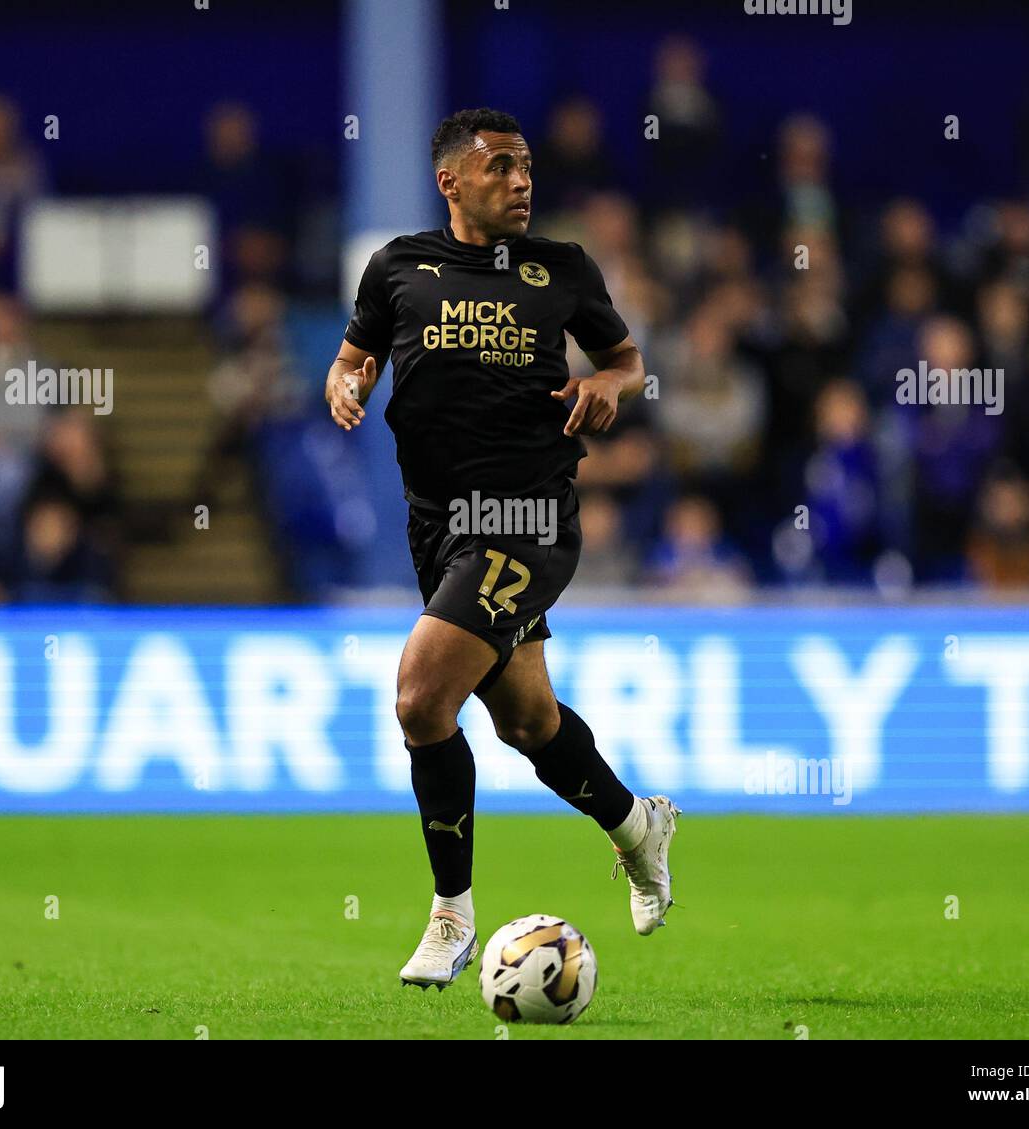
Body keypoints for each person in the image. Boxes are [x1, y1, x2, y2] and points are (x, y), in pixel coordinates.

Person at [323, 108, 681, 990]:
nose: (522, 181)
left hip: (526, 517)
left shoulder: (562, 270)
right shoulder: (398, 268)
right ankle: (638, 825)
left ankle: (452, 915)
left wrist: (607, 381)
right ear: (451, 181)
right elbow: (353, 355)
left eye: (526, 167)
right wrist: (344, 380)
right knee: (526, 721)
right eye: (500, 168)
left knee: (418, 698)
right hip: (437, 524)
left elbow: (630, 360)